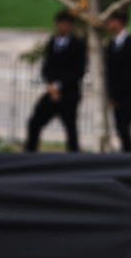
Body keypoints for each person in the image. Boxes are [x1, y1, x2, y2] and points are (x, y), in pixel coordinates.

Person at [25, 10, 86, 152]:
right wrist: (51, 85)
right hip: (52, 91)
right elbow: (47, 67)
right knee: (35, 122)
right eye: (59, 23)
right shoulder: (52, 42)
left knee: (70, 127)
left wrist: (59, 86)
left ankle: (73, 158)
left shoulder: (77, 44)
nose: (61, 27)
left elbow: (78, 71)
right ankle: (29, 154)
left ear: (70, 25)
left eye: (65, 24)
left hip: (68, 94)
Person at [104, 10, 131, 152]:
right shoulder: (112, 43)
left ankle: (128, 156)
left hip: (129, 96)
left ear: (118, 22)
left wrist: (117, 95)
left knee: (124, 127)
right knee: (120, 128)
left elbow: (130, 73)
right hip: (117, 95)